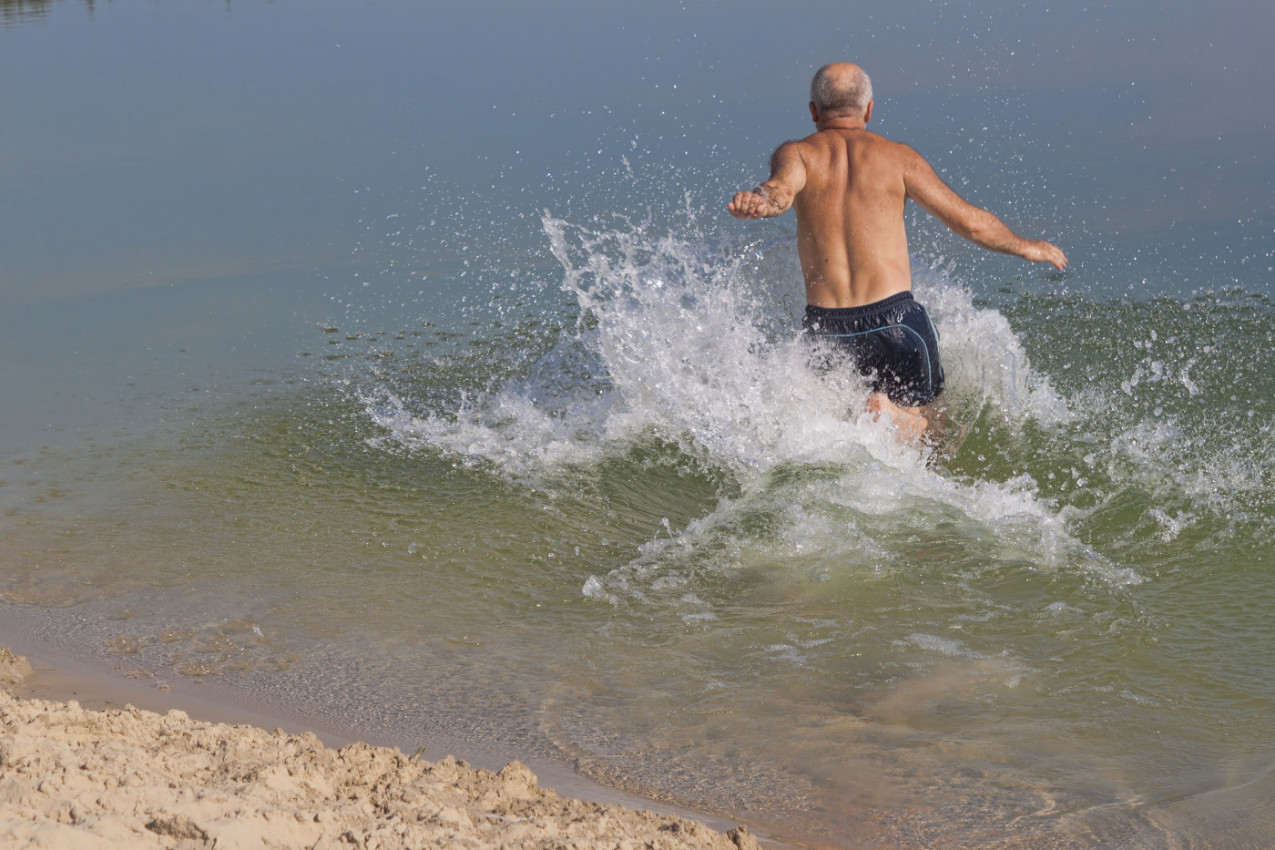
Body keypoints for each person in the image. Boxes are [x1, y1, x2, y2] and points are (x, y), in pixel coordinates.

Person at [729, 62, 1067, 444]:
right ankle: (888, 414)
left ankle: (876, 421)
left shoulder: (799, 154)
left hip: (825, 331)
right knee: (934, 437)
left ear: (813, 111)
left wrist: (758, 201)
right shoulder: (899, 157)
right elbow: (969, 222)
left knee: (839, 445)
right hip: (898, 325)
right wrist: (1025, 247)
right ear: (869, 109)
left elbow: (780, 192)